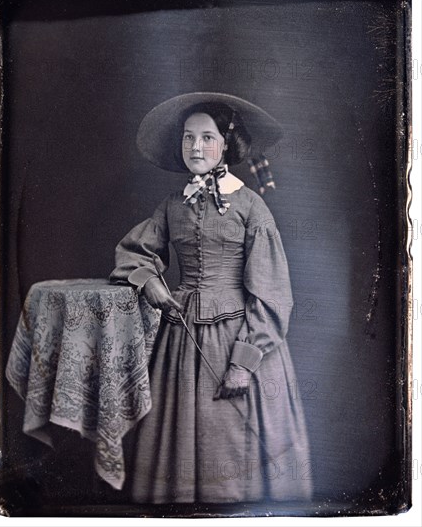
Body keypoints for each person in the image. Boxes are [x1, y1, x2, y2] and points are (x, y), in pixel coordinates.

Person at [110, 92, 312, 504]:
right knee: (178, 449)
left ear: (227, 145)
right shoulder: (172, 205)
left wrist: (244, 364)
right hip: (181, 343)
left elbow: (272, 292)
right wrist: (150, 282)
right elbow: (135, 253)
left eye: (206, 138)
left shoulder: (252, 208)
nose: (195, 147)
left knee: (235, 447)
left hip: (239, 340)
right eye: (188, 138)